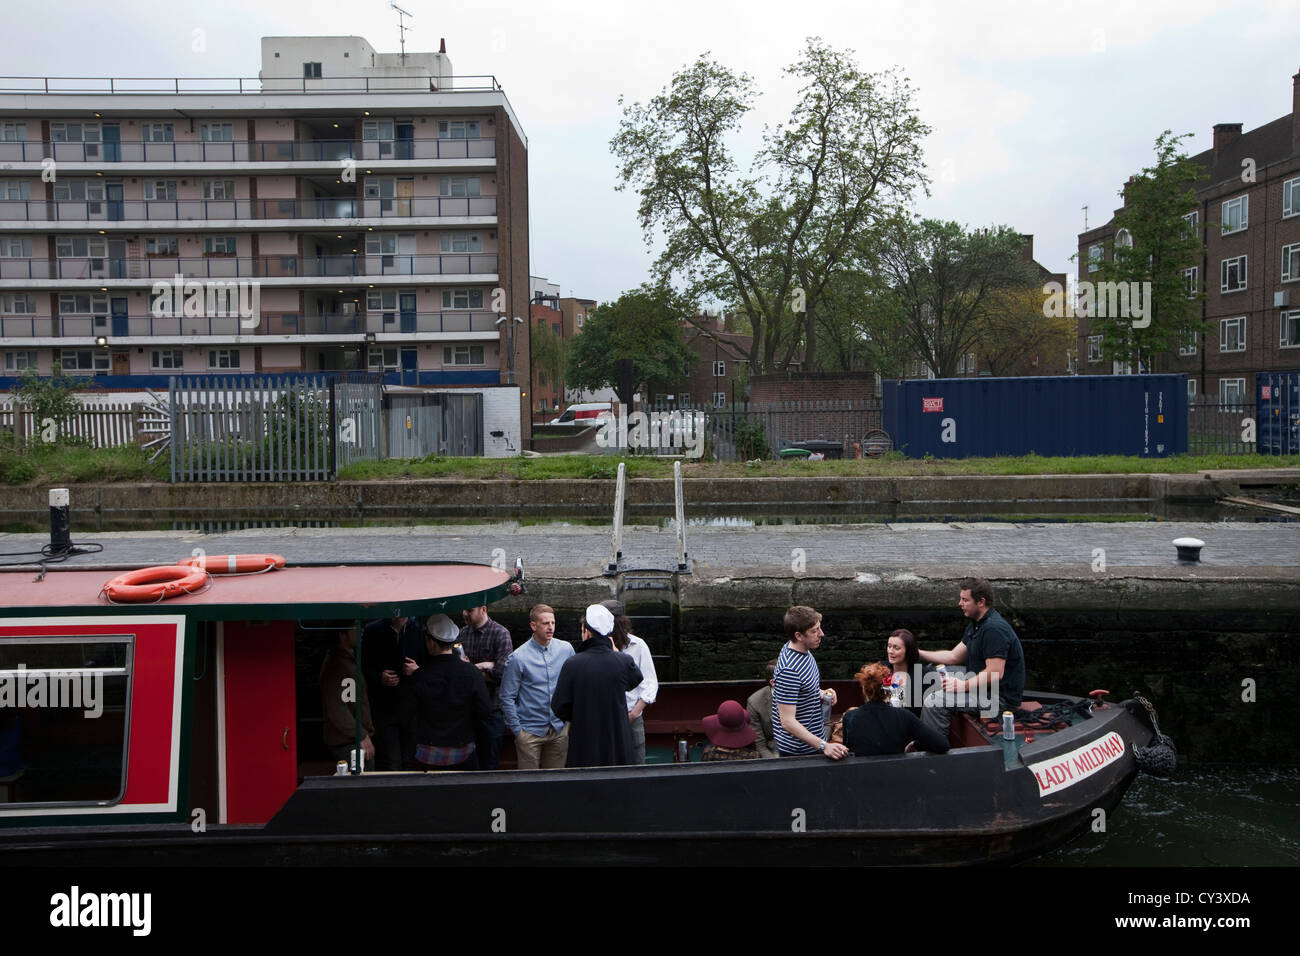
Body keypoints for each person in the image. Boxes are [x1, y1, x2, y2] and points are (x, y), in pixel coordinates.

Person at [918, 576, 1026, 741]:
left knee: (935, 701)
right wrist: (916, 652)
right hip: (982, 687)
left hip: (999, 699)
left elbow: (996, 672)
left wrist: (963, 685)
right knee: (930, 673)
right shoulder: (977, 624)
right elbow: (954, 656)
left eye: (964, 600)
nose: (959, 604)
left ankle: (933, 752)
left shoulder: (994, 629)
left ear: (981, 602)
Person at [550, 604, 643, 768]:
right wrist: (615, 652)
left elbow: (559, 706)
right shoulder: (622, 661)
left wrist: (580, 714)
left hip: (584, 740)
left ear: (587, 632)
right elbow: (635, 679)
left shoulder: (572, 664)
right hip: (617, 741)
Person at [403, 614, 492, 771]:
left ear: (430, 641)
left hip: (427, 753)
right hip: (463, 750)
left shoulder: (420, 675)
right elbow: (484, 711)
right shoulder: (471, 672)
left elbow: (407, 714)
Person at [500, 604, 575, 770]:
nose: (550, 627)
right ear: (533, 626)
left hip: (558, 729)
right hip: (529, 731)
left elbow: (573, 686)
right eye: (545, 623)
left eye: (553, 623)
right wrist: (518, 732)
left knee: (556, 781)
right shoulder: (518, 658)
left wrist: (568, 723)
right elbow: (507, 696)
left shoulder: (566, 649)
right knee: (529, 785)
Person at [771, 606, 849, 760]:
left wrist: (822, 693)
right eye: (814, 631)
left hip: (815, 739)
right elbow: (787, 722)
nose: (821, 634)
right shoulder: (789, 670)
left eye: (819, 628)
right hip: (799, 750)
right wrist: (824, 746)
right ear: (798, 635)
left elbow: (802, 688)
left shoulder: (804, 651)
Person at [842, 663, 949, 756]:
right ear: (889, 690)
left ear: (864, 689)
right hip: (897, 772)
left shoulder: (850, 716)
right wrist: (917, 744)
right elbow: (942, 744)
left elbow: (848, 749)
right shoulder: (904, 716)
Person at [361, 615, 424, 770]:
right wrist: (379, 677)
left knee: (409, 760)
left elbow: (431, 668)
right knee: (391, 761)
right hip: (384, 707)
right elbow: (362, 667)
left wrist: (417, 670)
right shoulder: (372, 630)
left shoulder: (420, 630)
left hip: (412, 708)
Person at [458, 604, 514, 771]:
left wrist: (472, 669)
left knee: (490, 764)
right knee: (467, 764)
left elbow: (502, 674)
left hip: (492, 710)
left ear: (483, 609)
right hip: (468, 710)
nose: (464, 613)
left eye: (469, 610)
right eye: (464, 609)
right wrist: (485, 666)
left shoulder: (501, 634)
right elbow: (458, 673)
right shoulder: (462, 634)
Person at [602, 599, 658, 765]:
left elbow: (651, 682)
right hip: (606, 717)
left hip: (633, 715)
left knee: (637, 762)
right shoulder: (598, 646)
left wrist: (635, 713)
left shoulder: (638, 645)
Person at [319, 621, 375, 770]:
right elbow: (336, 709)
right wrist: (361, 734)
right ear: (342, 635)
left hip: (352, 740)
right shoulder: (336, 665)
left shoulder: (348, 661)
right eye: (355, 628)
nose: (361, 631)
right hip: (347, 742)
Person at [882, 628, 927, 713]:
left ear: (908, 650)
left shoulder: (922, 674)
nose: (891, 651)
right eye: (889, 646)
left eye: (896, 648)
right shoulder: (880, 670)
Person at [746, 660, 779, 759]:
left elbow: (825, 722)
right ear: (773, 682)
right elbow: (760, 745)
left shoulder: (802, 692)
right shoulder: (755, 702)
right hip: (775, 751)